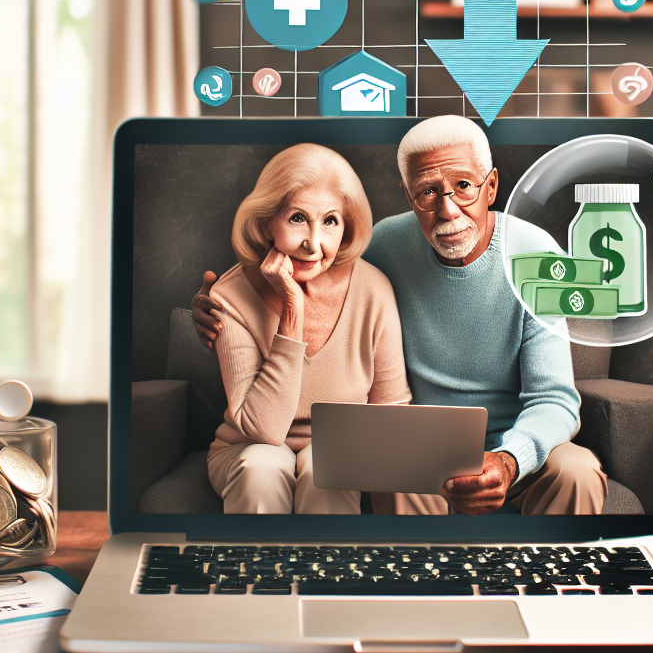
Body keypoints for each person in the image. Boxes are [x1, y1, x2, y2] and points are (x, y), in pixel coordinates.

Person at [195, 116, 607, 516]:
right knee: (393, 470)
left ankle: (549, 567)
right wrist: (213, 303)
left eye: (464, 186)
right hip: (420, 443)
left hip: (518, 446)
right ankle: (411, 568)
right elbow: (314, 272)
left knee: (578, 472)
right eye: (427, 192)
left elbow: (554, 399)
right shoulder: (384, 246)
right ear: (409, 197)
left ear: (492, 186)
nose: (448, 210)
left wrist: (510, 459)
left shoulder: (539, 256)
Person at [204, 143, 410, 514]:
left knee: (326, 467)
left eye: (330, 221)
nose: (313, 244)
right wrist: (292, 311)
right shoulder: (230, 295)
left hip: (344, 446)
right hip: (248, 448)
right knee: (263, 467)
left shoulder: (373, 288)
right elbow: (264, 430)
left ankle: (327, 558)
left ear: (346, 228)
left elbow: (391, 410)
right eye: (297, 218)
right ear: (267, 223)